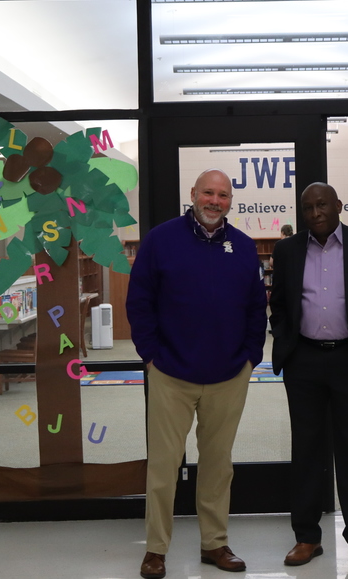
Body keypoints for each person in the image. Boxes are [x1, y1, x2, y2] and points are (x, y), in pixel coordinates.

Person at [126, 169, 268, 579]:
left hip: (228, 375)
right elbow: (140, 302)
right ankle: (155, 550)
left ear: (230, 202)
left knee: (218, 465)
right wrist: (150, 356)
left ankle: (214, 544)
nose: (215, 200)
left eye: (223, 195)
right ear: (193, 194)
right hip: (170, 372)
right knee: (164, 466)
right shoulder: (160, 240)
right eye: (208, 192)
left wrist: (250, 357)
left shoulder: (242, 247)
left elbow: (257, 306)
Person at [268, 182, 348, 569]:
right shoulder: (287, 250)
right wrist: (287, 343)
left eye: (322, 205)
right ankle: (307, 537)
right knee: (306, 450)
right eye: (307, 208)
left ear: (338, 205)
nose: (315, 213)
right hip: (304, 361)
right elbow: (278, 303)